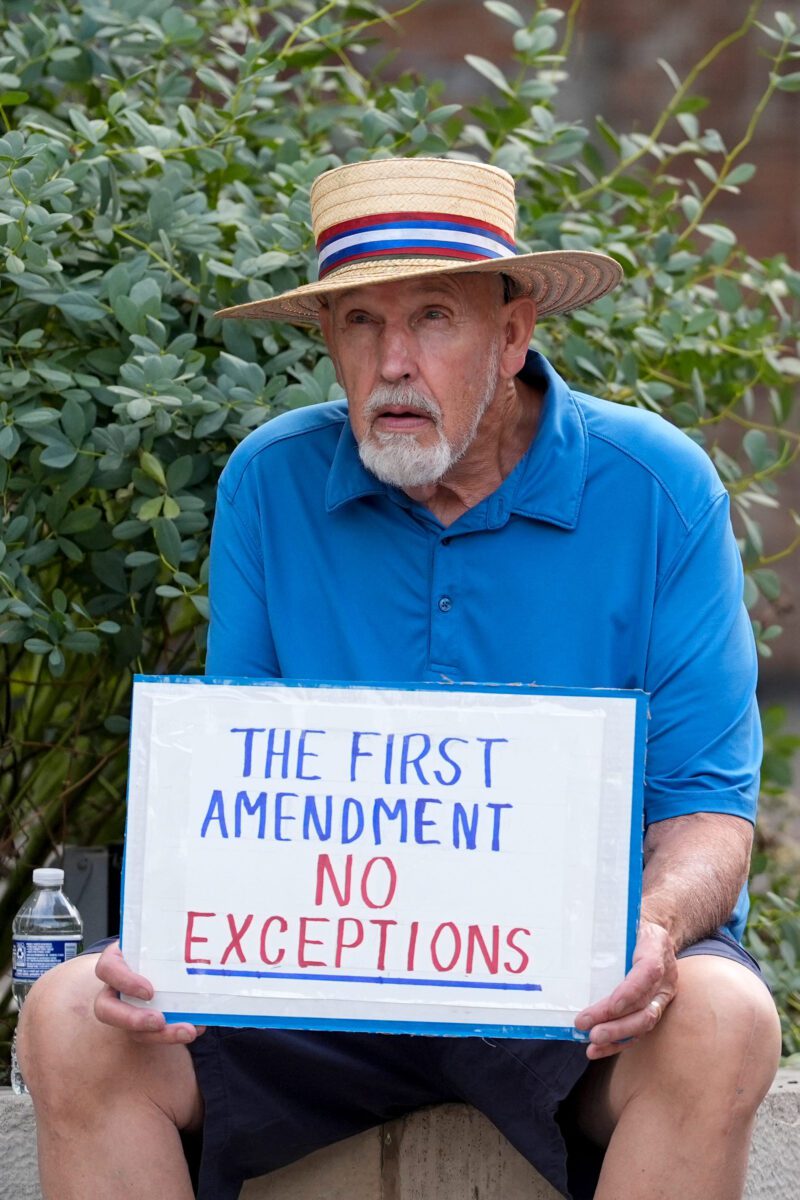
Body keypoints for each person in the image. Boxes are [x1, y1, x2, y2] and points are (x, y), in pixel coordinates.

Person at [18, 157, 781, 1200]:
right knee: (68, 1016)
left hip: (565, 989)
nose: (392, 362)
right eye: (359, 324)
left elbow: (706, 812)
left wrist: (650, 929)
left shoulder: (656, 488)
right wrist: (175, 939)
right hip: (318, 978)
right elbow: (238, 781)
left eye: (432, 318)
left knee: (722, 1020)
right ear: (327, 342)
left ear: (511, 335)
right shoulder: (269, 483)